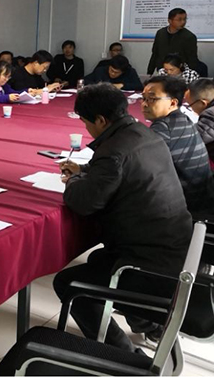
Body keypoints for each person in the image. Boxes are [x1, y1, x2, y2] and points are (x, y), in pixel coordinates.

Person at [55, 83, 192, 352]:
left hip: (149, 264)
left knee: (68, 282)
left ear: (101, 120)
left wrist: (72, 180)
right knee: (97, 261)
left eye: (86, 122)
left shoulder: (113, 150)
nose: (86, 128)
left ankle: (121, 354)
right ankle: (151, 326)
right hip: (175, 248)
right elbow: (121, 169)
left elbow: (84, 202)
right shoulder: (142, 132)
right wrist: (85, 170)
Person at [141, 76, 213, 221]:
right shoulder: (183, 119)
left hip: (188, 207)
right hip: (202, 194)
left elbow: (139, 169)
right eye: (144, 98)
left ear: (173, 102)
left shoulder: (163, 128)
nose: (144, 104)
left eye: (152, 99)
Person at [147, 8, 199, 75]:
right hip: (162, 71)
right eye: (179, 19)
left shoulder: (189, 37)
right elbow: (155, 54)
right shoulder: (160, 33)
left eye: (184, 19)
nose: (183, 22)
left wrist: (190, 75)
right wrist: (150, 72)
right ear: (170, 21)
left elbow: (192, 59)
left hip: (179, 73)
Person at [185, 78, 214, 167]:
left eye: (190, 105)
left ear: (203, 103)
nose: (190, 109)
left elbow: (193, 138)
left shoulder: (210, 114)